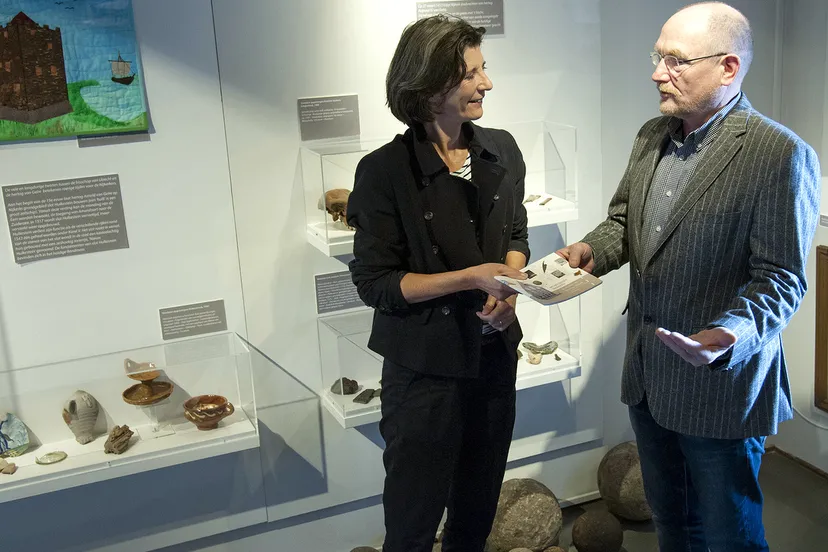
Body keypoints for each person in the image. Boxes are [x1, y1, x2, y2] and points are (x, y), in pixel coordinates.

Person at [559, 3, 820, 551]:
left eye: (675, 60)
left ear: (728, 67)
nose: (658, 72)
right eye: (658, 56)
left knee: (730, 538)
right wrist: (590, 250)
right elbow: (625, 221)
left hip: (721, 387)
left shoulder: (780, 155)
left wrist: (729, 334)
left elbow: (782, 279)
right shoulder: (652, 135)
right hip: (650, 377)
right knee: (673, 527)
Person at [346, 15, 530, 552]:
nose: (486, 84)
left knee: (476, 514)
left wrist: (511, 282)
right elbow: (376, 284)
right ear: (428, 87)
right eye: (471, 74)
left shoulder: (501, 150)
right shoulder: (384, 172)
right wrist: (471, 278)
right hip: (424, 372)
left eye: (483, 69)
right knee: (412, 519)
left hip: (494, 359)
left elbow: (515, 232)